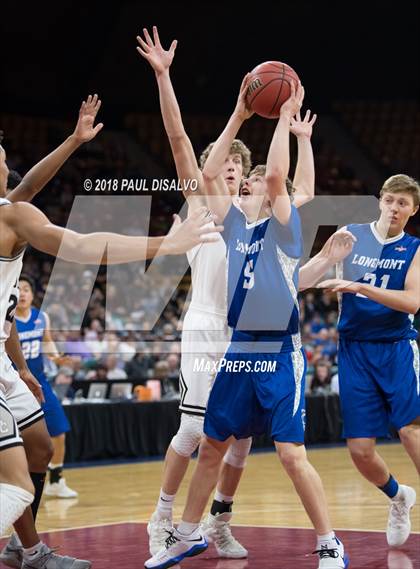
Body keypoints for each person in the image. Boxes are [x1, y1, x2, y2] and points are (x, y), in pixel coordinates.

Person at [0, 111, 220, 569]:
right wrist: (167, 243)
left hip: (3, 358)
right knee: (16, 480)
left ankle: (25, 547)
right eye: (2, 161)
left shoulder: (12, 210)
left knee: (40, 445)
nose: (8, 168)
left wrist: (73, 140)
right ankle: (33, 552)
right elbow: (80, 246)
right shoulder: (12, 218)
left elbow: (29, 189)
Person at [144, 78, 348, 569]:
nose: (241, 176)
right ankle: (170, 523)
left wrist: (294, 133)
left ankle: (227, 523)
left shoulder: (271, 222)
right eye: (234, 171)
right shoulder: (219, 215)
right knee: (201, 435)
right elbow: (189, 154)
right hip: (214, 331)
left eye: (245, 171)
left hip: (268, 345)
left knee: (251, 446)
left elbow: (293, 187)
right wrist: (236, 107)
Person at [318, 173, 420, 548]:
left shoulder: (414, 248)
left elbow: (412, 303)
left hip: (395, 347)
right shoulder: (350, 234)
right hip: (354, 349)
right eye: (390, 200)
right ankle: (398, 497)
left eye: (403, 204)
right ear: (380, 200)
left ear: (413, 210)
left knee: (411, 430)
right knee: (360, 451)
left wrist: (362, 287)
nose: (395, 208)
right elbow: (322, 272)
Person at [15, 274, 79, 499]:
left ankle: (55, 480)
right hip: (13, 386)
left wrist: (57, 357)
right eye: (18, 289)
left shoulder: (42, 317)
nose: (22, 293)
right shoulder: (7, 319)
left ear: (32, 295)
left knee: (59, 430)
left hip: (40, 383)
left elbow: (47, 343)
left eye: (26, 289)